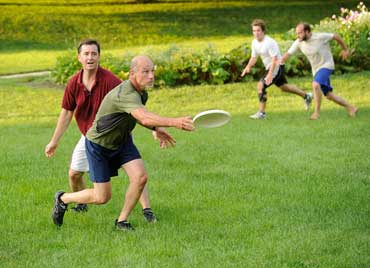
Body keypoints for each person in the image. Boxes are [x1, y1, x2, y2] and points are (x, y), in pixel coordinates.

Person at [51, 55, 194, 231]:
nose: (151, 76)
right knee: (102, 197)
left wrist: (156, 129)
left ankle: (122, 221)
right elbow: (143, 117)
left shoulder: (141, 93)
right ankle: (63, 198)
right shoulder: (125, 92)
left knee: (140, 177)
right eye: (145, 72)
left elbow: (137, 115)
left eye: (152, 71)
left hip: (122, 141)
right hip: (99, 145)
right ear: (132, 73)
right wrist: (175, 122)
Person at [45, 39, 157, 222]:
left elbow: (133, 103)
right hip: (90, 137)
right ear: (79, 57)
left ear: (99, 56)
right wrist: (54, 141)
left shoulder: (111, 81)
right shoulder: (74, 83)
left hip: (115, 134)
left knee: (137, 172)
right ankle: (79, 202)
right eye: (86, 54)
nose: (90, 57)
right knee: (74, 174)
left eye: (94, 54)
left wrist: (154, 127)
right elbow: (66, 113)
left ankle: (147, 209)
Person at [280, 23, 358, 120]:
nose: (298, 35)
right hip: (316, 70)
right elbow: (287, 54)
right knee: (329, 95)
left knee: (315, 85)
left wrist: (345, 49)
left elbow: (335, 36)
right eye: (297, 33)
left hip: (327, 65)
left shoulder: (320, 37)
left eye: (300, 33)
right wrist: (278, 62)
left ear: (307, 31)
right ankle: (351, 108)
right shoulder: (299, 42)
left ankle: (316, 113)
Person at [241, 19, 312, 119]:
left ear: (263, 31)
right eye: (254, 31)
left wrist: (270, 74)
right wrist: (248, 66)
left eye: (258, 31)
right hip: (271, 67)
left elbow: (274, 59)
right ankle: (307, 96)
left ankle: (261, 113)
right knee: (284, 87)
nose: (256, 33)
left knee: (261, 86)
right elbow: (254, 57)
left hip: (276, 66)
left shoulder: (269, 42)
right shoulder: (254, 43)